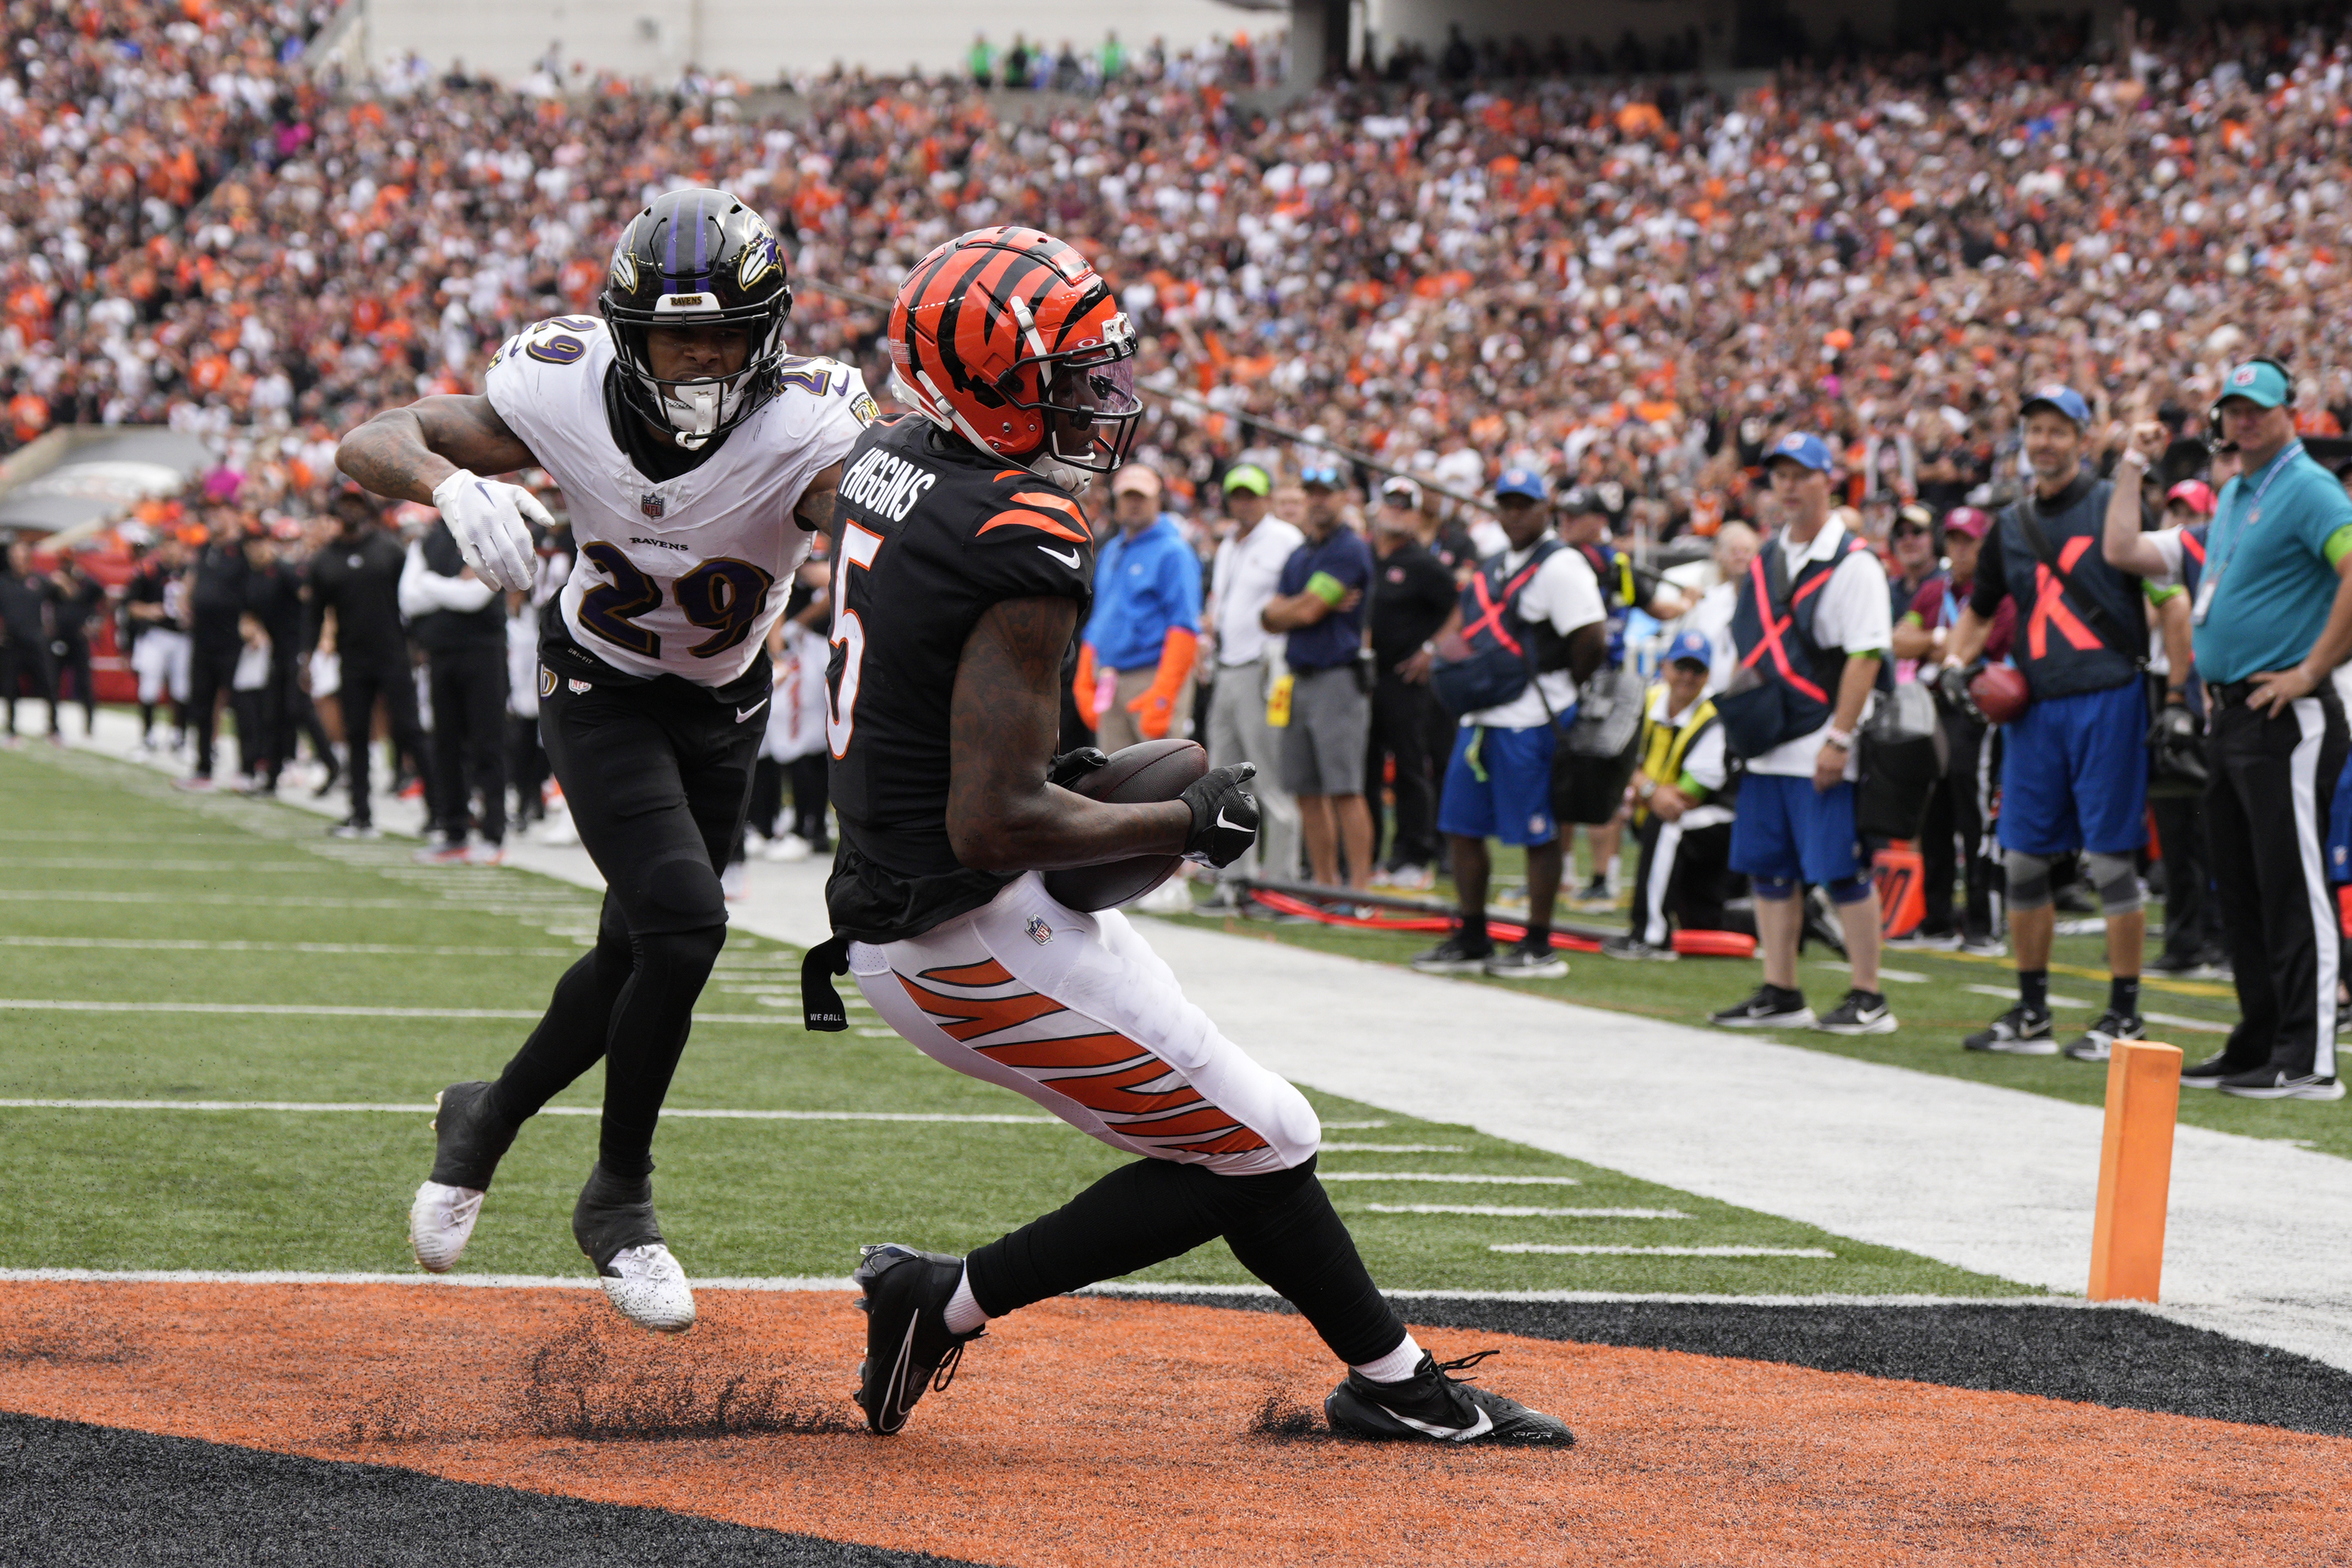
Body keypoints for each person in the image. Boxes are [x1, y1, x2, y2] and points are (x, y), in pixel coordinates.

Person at [817, 224, 1567, 1447]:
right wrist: (1186, 816)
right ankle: (939, 1301)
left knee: (1248, 1134)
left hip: (945, 907)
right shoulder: (1018, 526)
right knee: (1263, 1139)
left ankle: (1392, 1378)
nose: (1100, 396)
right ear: (990, 383)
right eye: (1069, 372)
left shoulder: (890, 457)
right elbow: (995, 813)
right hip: (964, 933)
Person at [337, 187, 866, 1327]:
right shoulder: (555, 384)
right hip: (599, 682)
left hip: (725, 703)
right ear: (626, 335)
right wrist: (452, 483)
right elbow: (370, 439)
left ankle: (486, 1114)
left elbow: (863, 509)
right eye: (680, 335)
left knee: (637, 951)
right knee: (685, 923)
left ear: (769, 336)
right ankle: (618, 1197)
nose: (702, 359)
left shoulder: (813, 422)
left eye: (728, 335)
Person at [2104, 360, 2352, 1099]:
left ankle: (2309, 1058)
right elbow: (2122, 550)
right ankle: (2259, 1040)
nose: (2245, 421)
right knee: (2242, 888)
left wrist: (2309, 672)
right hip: (2235, 713)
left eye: (2258, 409)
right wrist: (2132, 462)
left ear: (2288, 414)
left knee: (2293, 885)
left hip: (2288, 712)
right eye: (2234, 410)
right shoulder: (2239, 492)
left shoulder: (2305, 487)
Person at [1939, 387, 2149, 1063]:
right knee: (2024, 859)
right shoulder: (2011, 524)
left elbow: (2164, 595)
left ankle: (2124, 1012)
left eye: (2059, 430)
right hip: (2033, 711)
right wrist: (1953, 659)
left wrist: (2176, 697)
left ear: (2083, 438)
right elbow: (1980, 608)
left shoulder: (2109, 504)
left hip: (2108, 699)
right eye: (2036, 430)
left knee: (2111, 862)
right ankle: (2032, 1009)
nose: (2046, 442)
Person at [1707, 432, 1898, 1036]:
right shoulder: (1767, 558)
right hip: (1769, 740)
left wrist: (1841, 738)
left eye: (1801, 474)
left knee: (1842, 872)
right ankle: (1781, 987)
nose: (1788, 486)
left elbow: (1866, 657)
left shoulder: (1854, 563)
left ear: (1827, 481)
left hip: (1819, 736)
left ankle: (1869, 995)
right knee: (1770, 871)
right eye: (1779, 475)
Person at [1412, 467, 1606, 980]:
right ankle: (1472, 934)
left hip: (1533, 716)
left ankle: (1538, 943)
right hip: (1484, 715)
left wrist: (1562, 684)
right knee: (1462, 827)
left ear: (1548, 510)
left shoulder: (1563, 566)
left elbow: (1591, 638)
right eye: (1507, 504)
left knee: (1537, 833)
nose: (1515, 514)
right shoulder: (1494, 564)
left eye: (1526, 504)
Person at [1888, 506, 2011, 952]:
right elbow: (1900, 639)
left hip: (1976, 713)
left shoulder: (1997, 590)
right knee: (1933, 814)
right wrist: (1943, 641)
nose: (1960, 549)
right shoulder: (1930, 592)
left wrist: (1940, 644)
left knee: (1975, 816)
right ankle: (1937, 917)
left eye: (1969, 541)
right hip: (1934, 711)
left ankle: (1984, 920)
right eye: (1954, 540)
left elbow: (1986, 643)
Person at [1261, 463, 1376, 889]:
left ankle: (1360, 890)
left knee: (1345, 788)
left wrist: (1292, 608)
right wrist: (1296, 608)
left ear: (1345, 497)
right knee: (1307, 791)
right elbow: (1269, 617)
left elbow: (1302, 611)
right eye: (1313, 492)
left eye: (1327, 492)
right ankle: (1325, 889)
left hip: (1337, 678)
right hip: (1298, 678)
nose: (1319, 500)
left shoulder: (1350, 549)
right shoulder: (1302, 553)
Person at [1603, 630, 1744, 959]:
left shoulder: (1712, 719)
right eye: (1681, 667)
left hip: (1720, 817)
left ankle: (1650, 935)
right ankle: (1806, 918)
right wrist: (1648, 788)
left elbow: (1685, 799)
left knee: (1667, 826)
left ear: (1707, 675)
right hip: (1678, 810)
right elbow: (1613, 755)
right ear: (1665, 666)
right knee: (1705, 923)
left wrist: (1638, 785)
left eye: (1697, 670)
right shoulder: (1646, 701)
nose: (1687, 677)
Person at [303, 487, 432, 837]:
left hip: (393, 652)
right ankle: (360, 813)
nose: (349, 510)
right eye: (343, 504)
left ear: (367, 509)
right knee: (355, 732)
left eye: (355, 503)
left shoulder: (389, 550)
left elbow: (411, 602)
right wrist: (307, 658)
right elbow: (315, 616)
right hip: (353, 655)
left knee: (409, 729)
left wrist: (419, 644)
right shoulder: (324, 560)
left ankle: (439, 812)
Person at [1200, 462, 1303, 893]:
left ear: (1267, 498)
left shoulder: (1286, 540)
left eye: (1252, 495)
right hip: (1227, 666)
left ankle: (1279, 882)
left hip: (1263, 669)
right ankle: (1234, 879)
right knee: (1225, 777)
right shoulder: (1229, 543)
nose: (1244, 502)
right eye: (1237, 494)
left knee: (1270, 777)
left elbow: (1297, 602)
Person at [1362, 477, 1458, 888]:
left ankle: (1414, 855)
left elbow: (1461, 609)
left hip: (1406, 679)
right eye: (1392, 503)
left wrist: (1432, 650)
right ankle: (1367, 855)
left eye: (1405, 505)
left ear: (1418, 514)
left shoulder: (1424, 563)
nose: (1397, 511)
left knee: (1409, 766)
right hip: (1365, 677)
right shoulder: (1367, 557)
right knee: (1364, 769)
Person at [401, 512, 511, 864]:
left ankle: (493, 834)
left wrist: (430, 584)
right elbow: (408, 599)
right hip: (441, 653)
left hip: (483, 653)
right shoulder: (427, 540)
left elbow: (476, 597)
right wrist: (450, 585)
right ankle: (454, 831)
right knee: (445, 744)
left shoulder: (490, 534)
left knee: (487, 742)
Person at [1074, 463, 1200, 751]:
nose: (1134, 504)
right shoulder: (1112, 551)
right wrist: (1085, 678)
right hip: (1110, 677)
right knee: (1115, 782)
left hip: (1150, 674)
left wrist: (1164, 693)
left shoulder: (1174, 552)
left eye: (1141, 496)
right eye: (1128, 496)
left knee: (1159, 780)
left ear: (1158, 500)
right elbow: (1101, 618)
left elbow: (1184, 626)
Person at [175, 513, 252, 788]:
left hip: (232, 638)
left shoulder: (241, 550)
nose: (215, 519)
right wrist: (185, 600)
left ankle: (248, 768)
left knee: (241, 704)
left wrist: (250, 619)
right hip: (203, 638)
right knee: (202, 704)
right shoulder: (206, 549)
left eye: (220, 512)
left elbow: (252, 588)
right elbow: (193, 578)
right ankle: (203, 767)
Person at [124, 533, 191, 751]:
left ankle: (178, 736)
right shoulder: (149, 571)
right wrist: (148, 610)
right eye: (168, 544)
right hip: (156, 635)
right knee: (149, 687)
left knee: (182, 689)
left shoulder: (192, 573)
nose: (172, 550)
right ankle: (148, 735)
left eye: (176, 544)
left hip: (184, 637)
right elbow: (130, 605)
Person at [0, 539, 57, 742]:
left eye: (21, 556)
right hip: (12, 642)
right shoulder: (4, 582)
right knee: (10, 687)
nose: (17, 561)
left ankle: (54, 727)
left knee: (48, 684)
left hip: (37, 640)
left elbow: (63, 604)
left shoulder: (42, 581)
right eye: (14, 557)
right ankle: (12, 729)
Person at [44, 552, 104, 739]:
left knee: (84, 683)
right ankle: (53, 724)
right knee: (53, 682)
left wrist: (95, 625)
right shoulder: (54, 584)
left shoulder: (86, 584)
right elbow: (44, 603)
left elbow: (102, 600)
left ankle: (89, 724)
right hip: (60, 637)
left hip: (79, 638)